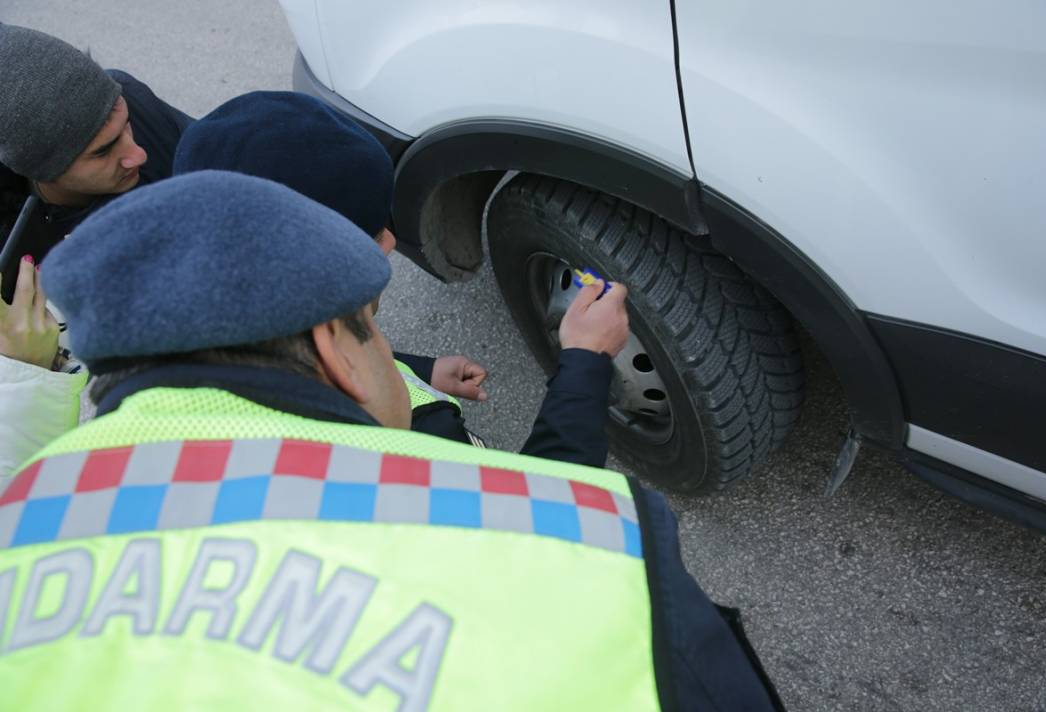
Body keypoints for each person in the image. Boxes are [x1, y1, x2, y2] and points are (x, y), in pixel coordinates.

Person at [0, 171, 782, 710]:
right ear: (336, 350)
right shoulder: (573, 539)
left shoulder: (25, 505)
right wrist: (584, 362)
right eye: (373, 326)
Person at [171, 90, 493, 448]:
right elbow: (515, 498)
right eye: (370, 234)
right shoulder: (424, 437)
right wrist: (570, 364)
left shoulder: (182, 347)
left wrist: (421, 369)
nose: (388, 242)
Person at [0, 22, 192, 475]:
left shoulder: (131, 104)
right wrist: (29, 366)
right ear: (41, 170)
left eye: (127, 126)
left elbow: (231, 169)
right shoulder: (12, 239)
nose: (137, 154)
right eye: (105, 152)